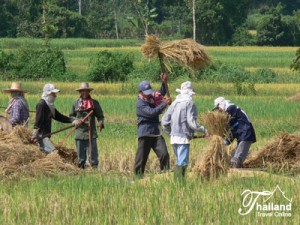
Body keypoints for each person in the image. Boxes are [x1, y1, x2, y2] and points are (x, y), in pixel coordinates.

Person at [161, 81, 209, 179]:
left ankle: (178, 183)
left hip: (174, 138)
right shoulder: (189, 103)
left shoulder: (175, 102)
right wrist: (204, 130)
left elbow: (164, 121)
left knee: (179, 161)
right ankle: (179, 184)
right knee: (182, 163)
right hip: (183, 138)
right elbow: (191, 122)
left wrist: (171, 133)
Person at [134, 73, 172, 177]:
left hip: (156, 133)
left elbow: (160, 93)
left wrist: (164, 82)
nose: (149, 94)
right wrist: (164, 103)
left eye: (149, 92)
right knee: (141, 159)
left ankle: (165, 174)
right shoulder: (140, 104)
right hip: (145, 133)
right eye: (146, 93)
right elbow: (152, 113)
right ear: (141, 92)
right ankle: (137, 177)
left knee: (164, 154)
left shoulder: (152, 98)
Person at [31, 83, 79, 154]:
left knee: (45, 154)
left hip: (46, 135)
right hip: (41, 135)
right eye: (53, 94)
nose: (55, 96)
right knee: (54, 153)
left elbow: (59, 117)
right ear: (48, 93)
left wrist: (73, 120)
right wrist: (35, 135)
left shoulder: (50, 106)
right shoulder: (41, 104)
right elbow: (38, 120)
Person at [213, 96, 256, 168]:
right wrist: (225, 141)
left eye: (218, 108)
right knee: (233, 158)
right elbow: (233, 130)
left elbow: (227, 126)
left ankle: (239, 175)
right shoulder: (231, 111)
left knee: (237, 159)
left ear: (221, 104)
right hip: (242, 134)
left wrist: (222, 137)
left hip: (246, 133)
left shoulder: (230, 108)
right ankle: (236, 173)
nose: (218, 111)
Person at [70, 82, 104, 169]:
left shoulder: (94, 103)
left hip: (91, 132)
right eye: (82, 91)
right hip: (79, 132)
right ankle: (81, 169)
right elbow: (71, 116)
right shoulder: (76, 103)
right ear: (80, 92)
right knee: (80, 156)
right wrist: (75, 121)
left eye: (86, 91)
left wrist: (100, 123)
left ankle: (94, 169)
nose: (84, 93)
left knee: (93, 155)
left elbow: (100, 116)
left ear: (89, 92)